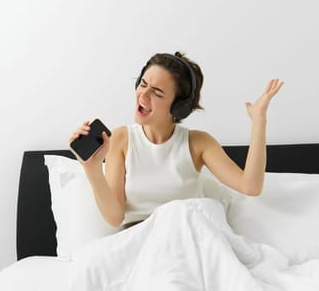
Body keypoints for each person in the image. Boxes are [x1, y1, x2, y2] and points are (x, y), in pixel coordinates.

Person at [68, 52, 284, 228]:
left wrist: (259, 119)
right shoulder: (121, 139)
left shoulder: (199, 143)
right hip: (139, 244)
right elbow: (115, 218)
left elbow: (251, 186)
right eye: (142, 84)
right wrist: (92, 169)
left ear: (178, 107)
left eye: (157, 93)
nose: (142, 96)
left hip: (187, 238)